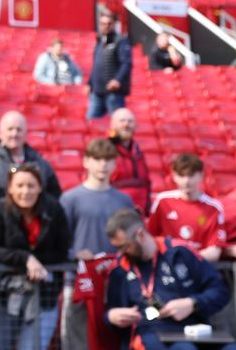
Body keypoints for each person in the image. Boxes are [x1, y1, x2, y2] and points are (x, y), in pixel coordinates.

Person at [105, 208, 236, 350]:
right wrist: (111, 316)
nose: (120, 252)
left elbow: (220, 291)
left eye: (124, 246)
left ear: (140, 235)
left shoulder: (179, 252)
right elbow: (112, 311)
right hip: (150, 332)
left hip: (194, 330)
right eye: (117, 248)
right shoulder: (120, 268)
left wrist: (192, 303)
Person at [0, 164, 71, 350]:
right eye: (20, 185)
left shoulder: (53, 208)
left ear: (40, 187)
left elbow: (62, 249)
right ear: (10, 188)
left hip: (45, 294)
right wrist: (25, 259)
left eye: (31, 186)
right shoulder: (0, 208)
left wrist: (37, 263)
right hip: (5, 294)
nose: (25, 191)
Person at [60, 138, 135, 350]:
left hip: (117, 282)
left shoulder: (124, 200)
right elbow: (60, 241)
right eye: (97, 159)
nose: (103, 165)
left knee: (113, 338)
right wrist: (75, 253)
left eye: (108, 160)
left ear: (115, 164)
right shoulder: (70, 199)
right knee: (77, 339)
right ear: (86, 162)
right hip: (79, 282)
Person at [0, 111, 62, 220]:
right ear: (0, 133)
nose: (14, 134)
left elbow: (55, 197)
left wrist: (32, 209)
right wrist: (7, 209)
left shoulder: (42, 165)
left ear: (26, 134)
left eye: (19, 129)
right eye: (10, 129)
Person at [147, 153, 225, 262]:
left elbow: (215, 251)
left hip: (199, 268)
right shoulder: (162, 201)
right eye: (181, 175)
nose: (186, 181)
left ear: (201, 175)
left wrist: (186, 260)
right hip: (167, 266)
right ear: (174, 176)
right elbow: (150, 237)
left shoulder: (214, 208)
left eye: (191, 175)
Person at [87, 9, 132, 119]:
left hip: (114, 93)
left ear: (114, 25)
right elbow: (96, 65)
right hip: (97, 92)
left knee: (117, 124)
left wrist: (117, 80)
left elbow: (126, 63)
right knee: (91, 123)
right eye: (103, 23)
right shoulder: (99, 41)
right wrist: (90, 83)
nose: (106, 26)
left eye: (109, 23)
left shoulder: (120, 40)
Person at [109, 108, 152, 213]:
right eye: (122, 121)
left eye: (130, 121)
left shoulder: (139, 152)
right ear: (113, 125)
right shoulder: (106, 150)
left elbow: (146, 182)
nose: (126, 124)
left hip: (138, 214)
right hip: (114, 212)